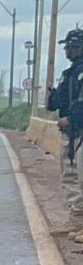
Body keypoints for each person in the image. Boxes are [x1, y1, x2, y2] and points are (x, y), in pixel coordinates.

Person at [48, 30, 83, 237]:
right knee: (70, 176)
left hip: (78, 130)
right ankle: (77, 219)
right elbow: (58, 103)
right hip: (70, 135)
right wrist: (52, 97)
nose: (65, 50)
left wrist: (71, 120)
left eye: (68, 46)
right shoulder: (70, 74)